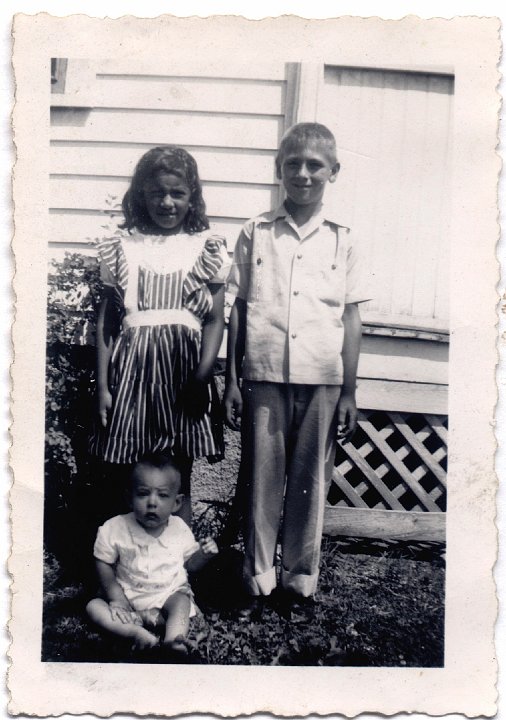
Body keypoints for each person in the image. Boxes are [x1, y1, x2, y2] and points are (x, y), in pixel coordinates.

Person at [224, 122, 369, 615]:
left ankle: (299, 582)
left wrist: (349, 390)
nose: (303, 174)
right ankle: (258, 581)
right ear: (279, 169)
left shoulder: (343, 239)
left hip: (323, 378)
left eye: (314, 165)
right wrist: (231, 381)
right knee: (262, 482)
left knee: (310, 483)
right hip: (263, 375)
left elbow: (350, 317)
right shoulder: (256, 232)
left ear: (334, 172)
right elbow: (240, 308)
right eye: (293, 164)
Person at [90, 146, 228, 524]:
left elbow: (215, 320)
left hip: (183, 376)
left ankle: (174, 567)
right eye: (157, 194)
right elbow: (107, 323)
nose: (167, 203)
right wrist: (103, 387)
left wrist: (202, 377)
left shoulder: (204, 247)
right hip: (131, 375)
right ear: (142, 195)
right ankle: (126, 563)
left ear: (192, 197)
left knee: (176, 473)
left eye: (177, 194)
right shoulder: (123, 247)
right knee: (131, 474)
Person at [86, 452, 218, 655]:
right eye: (143, 493)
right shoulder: (115, 528)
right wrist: (117, 598)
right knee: (94, 607)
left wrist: (204, 555)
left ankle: (174, 642)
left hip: (167, 598)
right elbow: (102, 561)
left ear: (177, 503)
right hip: (128, 599)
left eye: (163, 495)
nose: (152, 503)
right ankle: (135, 633)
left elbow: (189, 565)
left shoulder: (179, 529)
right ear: (129, 498)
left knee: (182, 601)